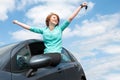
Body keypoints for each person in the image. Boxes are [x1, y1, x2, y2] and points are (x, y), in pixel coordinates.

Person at [13, 2, 87, 55]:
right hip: (46, 54)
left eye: (57, 19)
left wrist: (81, 6)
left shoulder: (60, 28)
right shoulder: (43, 30)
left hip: (56, 54)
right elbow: (30, 28)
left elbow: (71, 18)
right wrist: (17, 22)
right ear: (48, 20)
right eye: (54, 17)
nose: (56, 19)